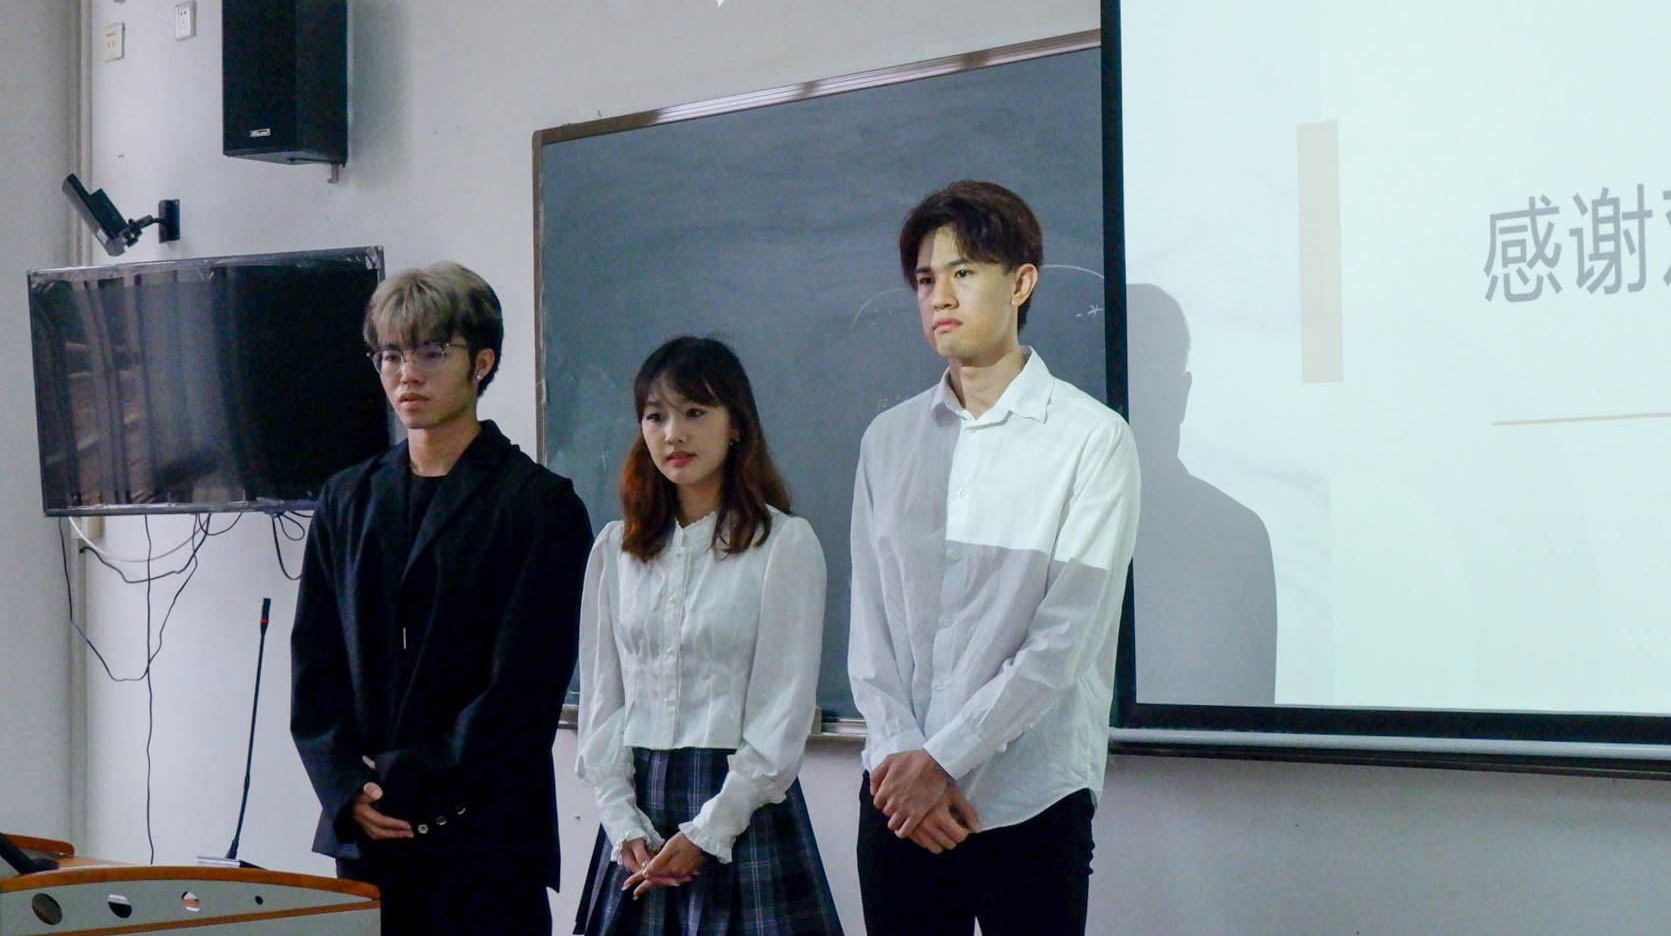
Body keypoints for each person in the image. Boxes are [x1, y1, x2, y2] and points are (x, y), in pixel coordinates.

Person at [847, 181, 1141, 936]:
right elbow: (871, 625)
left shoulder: (1090, 439)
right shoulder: (888, 440)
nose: (939, 297)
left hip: (1028, 801)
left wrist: (942, 762)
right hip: (896, 798)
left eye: (963, 272)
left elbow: (1063, 642)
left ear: (1020, 282)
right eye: (924, 279)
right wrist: (901, 757)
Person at [290, 261, 592, 935]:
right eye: (390, 355)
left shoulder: (539, 506)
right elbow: (315, 663)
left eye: (431, 353)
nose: (407, 374)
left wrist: (397, 779)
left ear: (482, 362)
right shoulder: (347, 498)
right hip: (365, 842)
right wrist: (346, 787)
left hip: (485, 843)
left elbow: (523, 690)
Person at [573, 336, 843, 936]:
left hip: (741, 809)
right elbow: (602, 701)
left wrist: (710, 830)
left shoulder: (782, 544)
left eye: (695, 412)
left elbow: (782, 710)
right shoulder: (617, 549)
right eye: (656, 416)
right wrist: (621, 821)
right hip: (638, 817)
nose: (674, 434)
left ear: (736, 425)